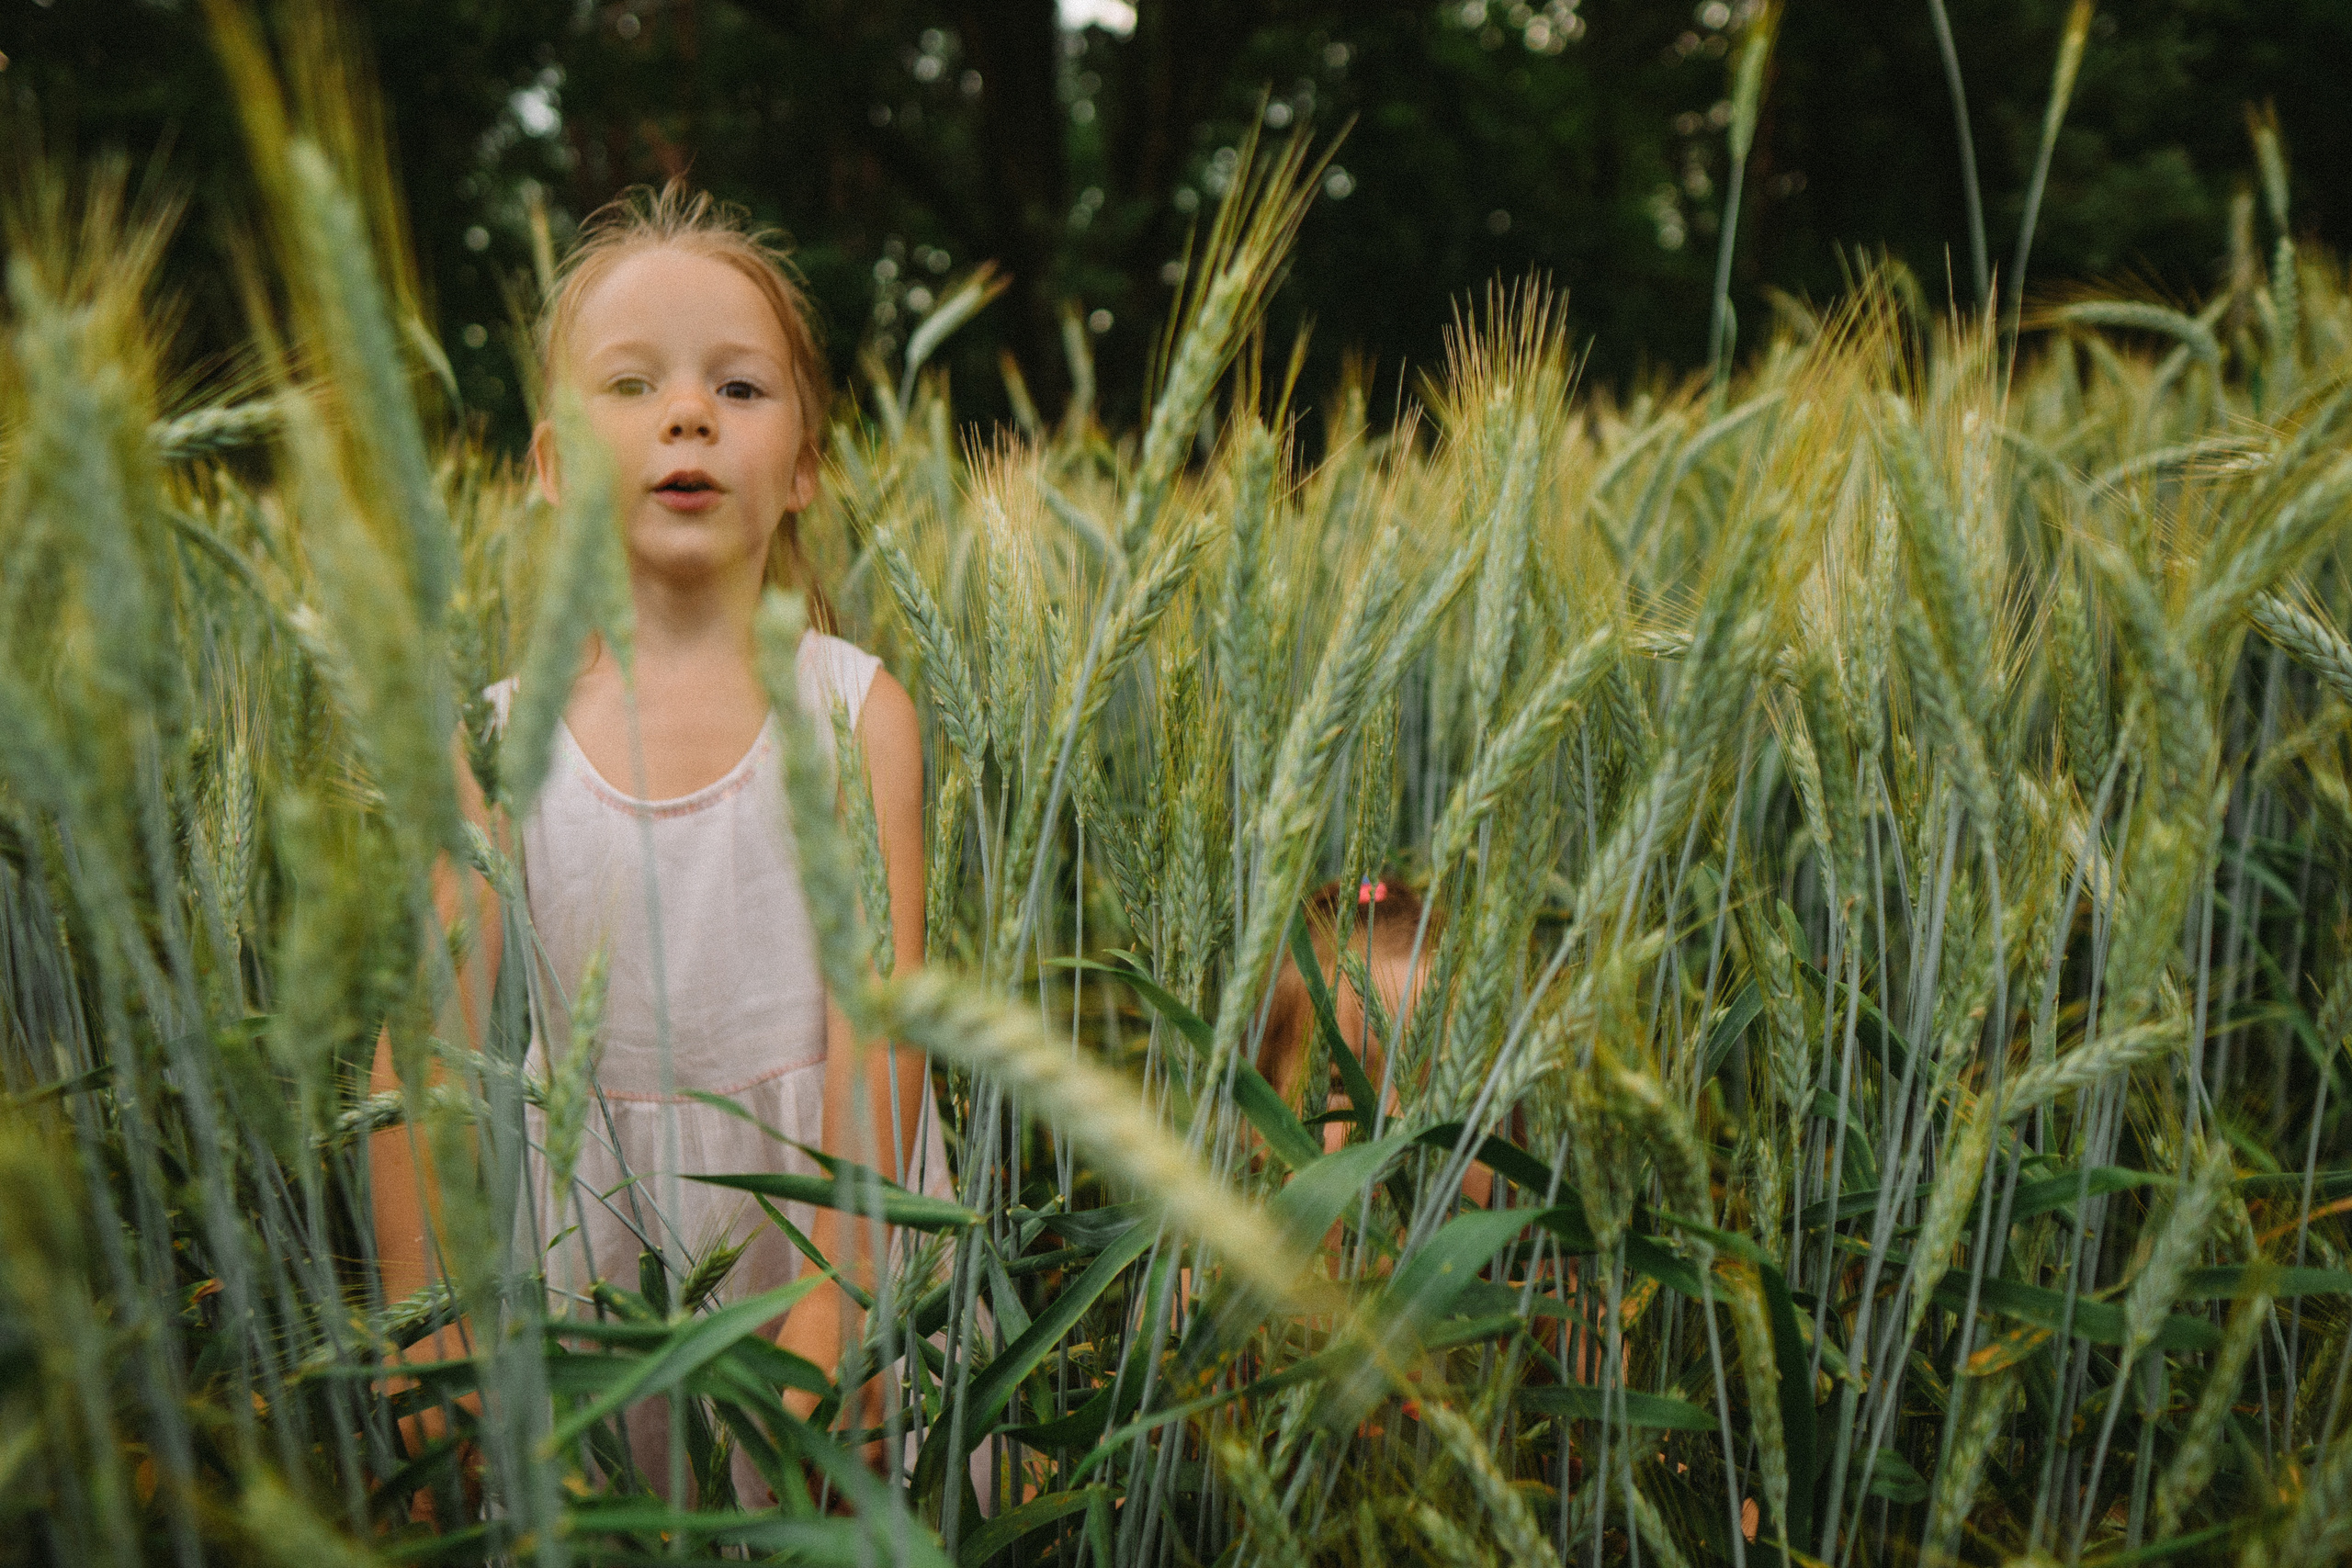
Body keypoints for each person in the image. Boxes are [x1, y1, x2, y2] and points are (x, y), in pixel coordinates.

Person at [368, 181, 944, 1501]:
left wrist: (843, 1286)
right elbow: (425, 1044)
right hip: (593, 1254)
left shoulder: (858, 713)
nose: (688, 413)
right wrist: (423, 1306)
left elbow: (883, 1014)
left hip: (826, 1210)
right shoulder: (499, 741)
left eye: (739, 390)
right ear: (554, 465)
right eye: (631, 387)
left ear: (803, 467)